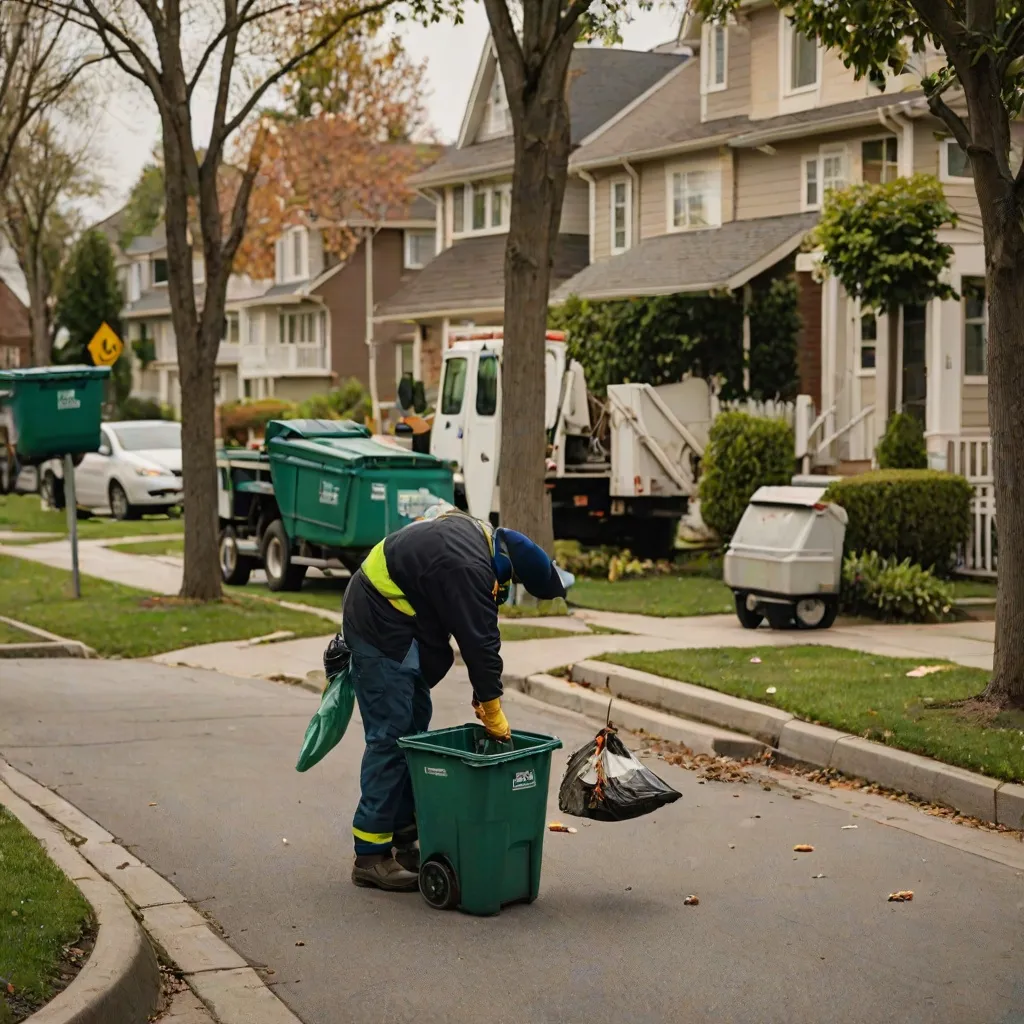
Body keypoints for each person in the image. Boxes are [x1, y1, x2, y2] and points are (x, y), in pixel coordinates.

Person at [338, 502, 573, 892]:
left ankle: (404, 832)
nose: (503, 593)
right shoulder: (471, 569)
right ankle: (370, 854)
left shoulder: (481, 536)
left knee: (413, 727)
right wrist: (493, 711)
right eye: (510, 585)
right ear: (507, 571)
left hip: (400, 619)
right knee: (391, 734)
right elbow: (481, 644)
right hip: (376, 617)